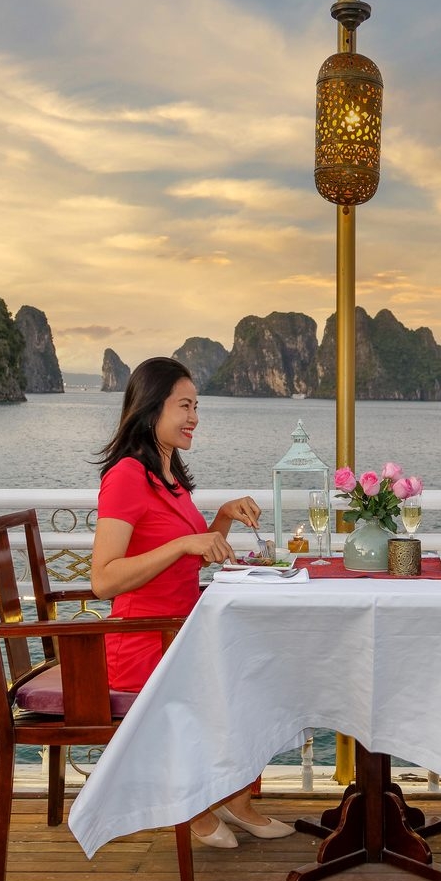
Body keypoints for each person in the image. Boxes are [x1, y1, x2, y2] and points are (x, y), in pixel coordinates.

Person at [90, 356, 294, 849]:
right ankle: (198, 805)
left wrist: (220, 519)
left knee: (260, 668)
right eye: (184, 406)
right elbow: (103, 579)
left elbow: (192, 554)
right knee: (242, 676)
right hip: (144, 641)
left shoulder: (169, 475)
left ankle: (234, 798)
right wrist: (185, 544)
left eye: (196, 406)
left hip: (180, 631)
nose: (194, 417)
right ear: (152, 407)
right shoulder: (126, 476)